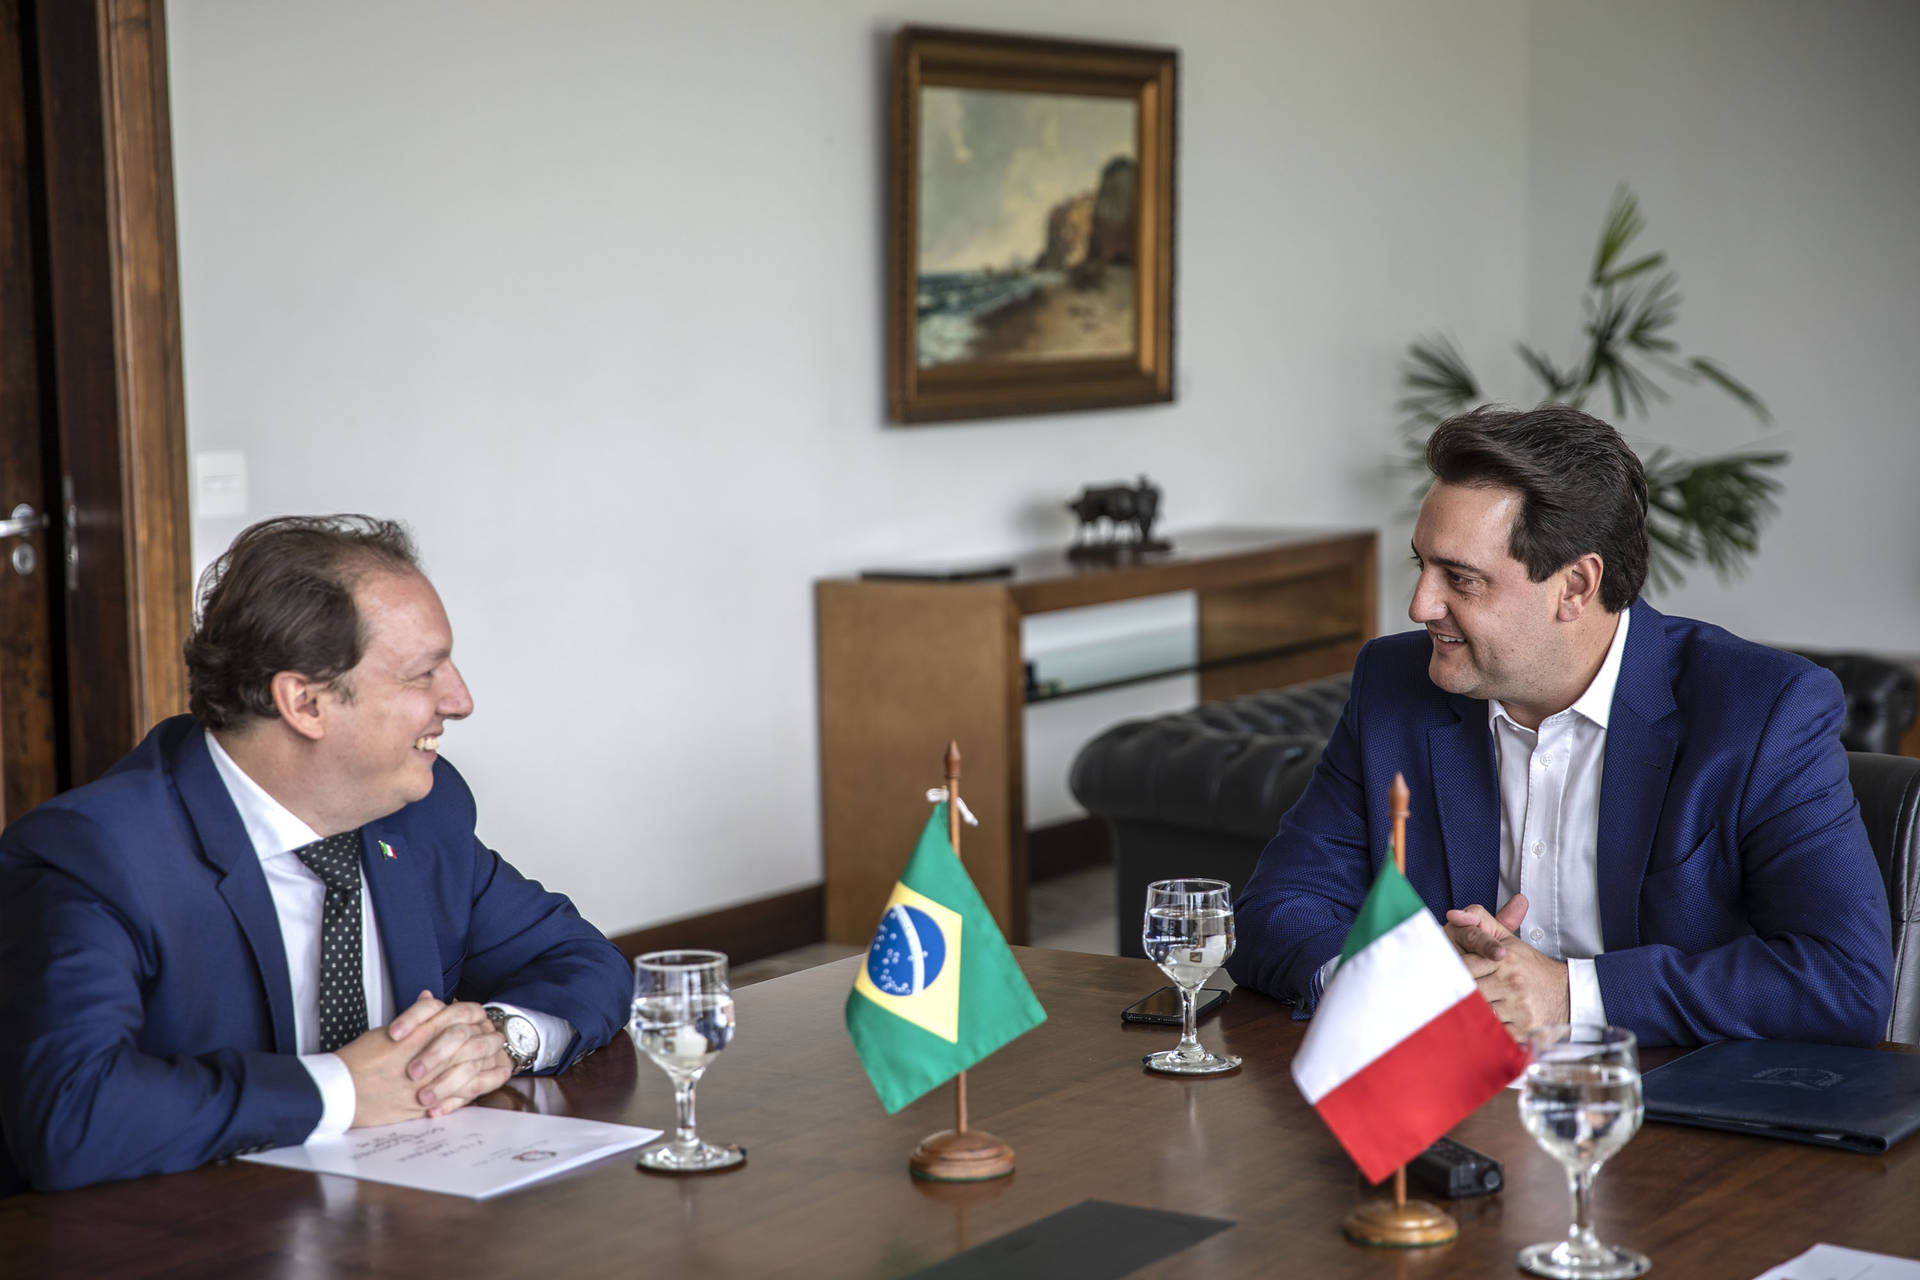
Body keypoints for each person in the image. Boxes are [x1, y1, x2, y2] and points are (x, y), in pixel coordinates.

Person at [0, 516, 633, 1192]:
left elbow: (585, 961)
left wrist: (499, 1040)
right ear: (305, 702)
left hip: (405, 1219)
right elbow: (70, 1115)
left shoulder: (422, 811)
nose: (460, 700)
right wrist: (343, 1090)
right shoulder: (96, 855)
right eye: (424, 674)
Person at [1227, 406, 1893, 1048]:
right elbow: (1281, 906)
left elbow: (1844, 983)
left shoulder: (1764, 712)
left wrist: (1568, 996)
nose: (1420, 604)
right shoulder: (1394, 687)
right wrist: (1396, 982)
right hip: (1451, 1107)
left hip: (1671, 1119)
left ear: (1575, 586)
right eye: (1421, 565)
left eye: (1460, 578)